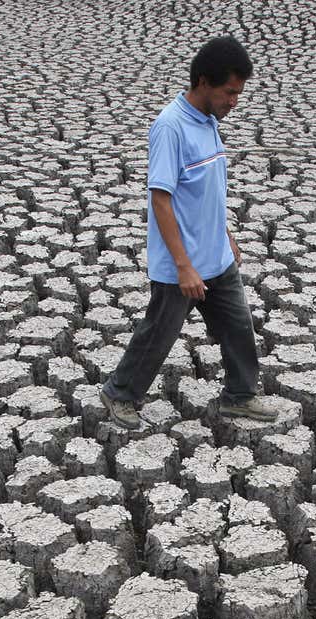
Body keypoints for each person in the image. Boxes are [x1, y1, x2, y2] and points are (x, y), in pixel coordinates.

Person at [100, 36, 279, 429]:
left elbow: (205, 191)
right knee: (159, 334)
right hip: (181, 261)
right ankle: (119, 393)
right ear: (203, 82)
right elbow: (161, 201)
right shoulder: (170, 127)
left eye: (238, 93)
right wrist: (183, 266)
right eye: (229, 92)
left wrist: (225, 233)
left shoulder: (209, 122)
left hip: (215, 255)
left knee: (237, 327)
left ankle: (240, 396)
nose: (234, 101)